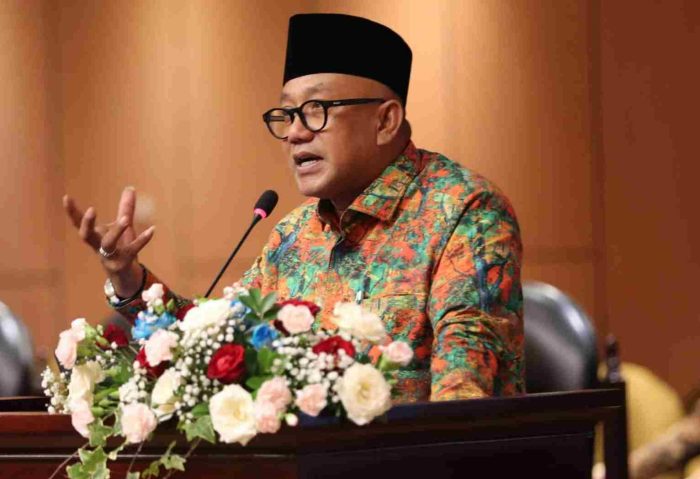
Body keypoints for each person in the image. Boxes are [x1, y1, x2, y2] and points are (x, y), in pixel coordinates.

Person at [63, 13, 524, 403]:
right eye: (287, 115)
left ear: (385, 120)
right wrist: (128, 278)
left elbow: (465, 397)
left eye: (316, 110)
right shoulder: (294, 233)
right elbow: (215, 342)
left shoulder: (464, 211)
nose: (296, 133)